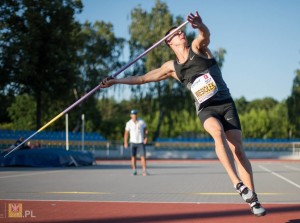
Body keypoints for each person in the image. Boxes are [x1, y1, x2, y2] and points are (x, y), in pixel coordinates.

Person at [100, 11, 266, 216]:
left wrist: (201, 25)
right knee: (216, 133)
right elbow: (143, 78)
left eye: (182, 31)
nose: (182, 34)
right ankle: (238, 184)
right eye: (177, 33)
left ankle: (254, 200)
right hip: (206, 109)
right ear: (169, 41)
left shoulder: (198, 48)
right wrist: (116, 81)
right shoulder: (171, 67)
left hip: (226, 103)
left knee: (238, 150)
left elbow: (205, 35)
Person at [124, 109, 148, 176]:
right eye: (132, 115)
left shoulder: (141, 121)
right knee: (133, 157)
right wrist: (125, 142)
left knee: (143, 157)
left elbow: (146, 130)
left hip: (140, 142)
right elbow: (126, 133)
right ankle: (134, 170)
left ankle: (144, 170)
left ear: (137, 115)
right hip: (132, 142)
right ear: (130, 115)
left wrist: (146, 137)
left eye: (135, 114)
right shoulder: (128, 123)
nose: (134, 116)